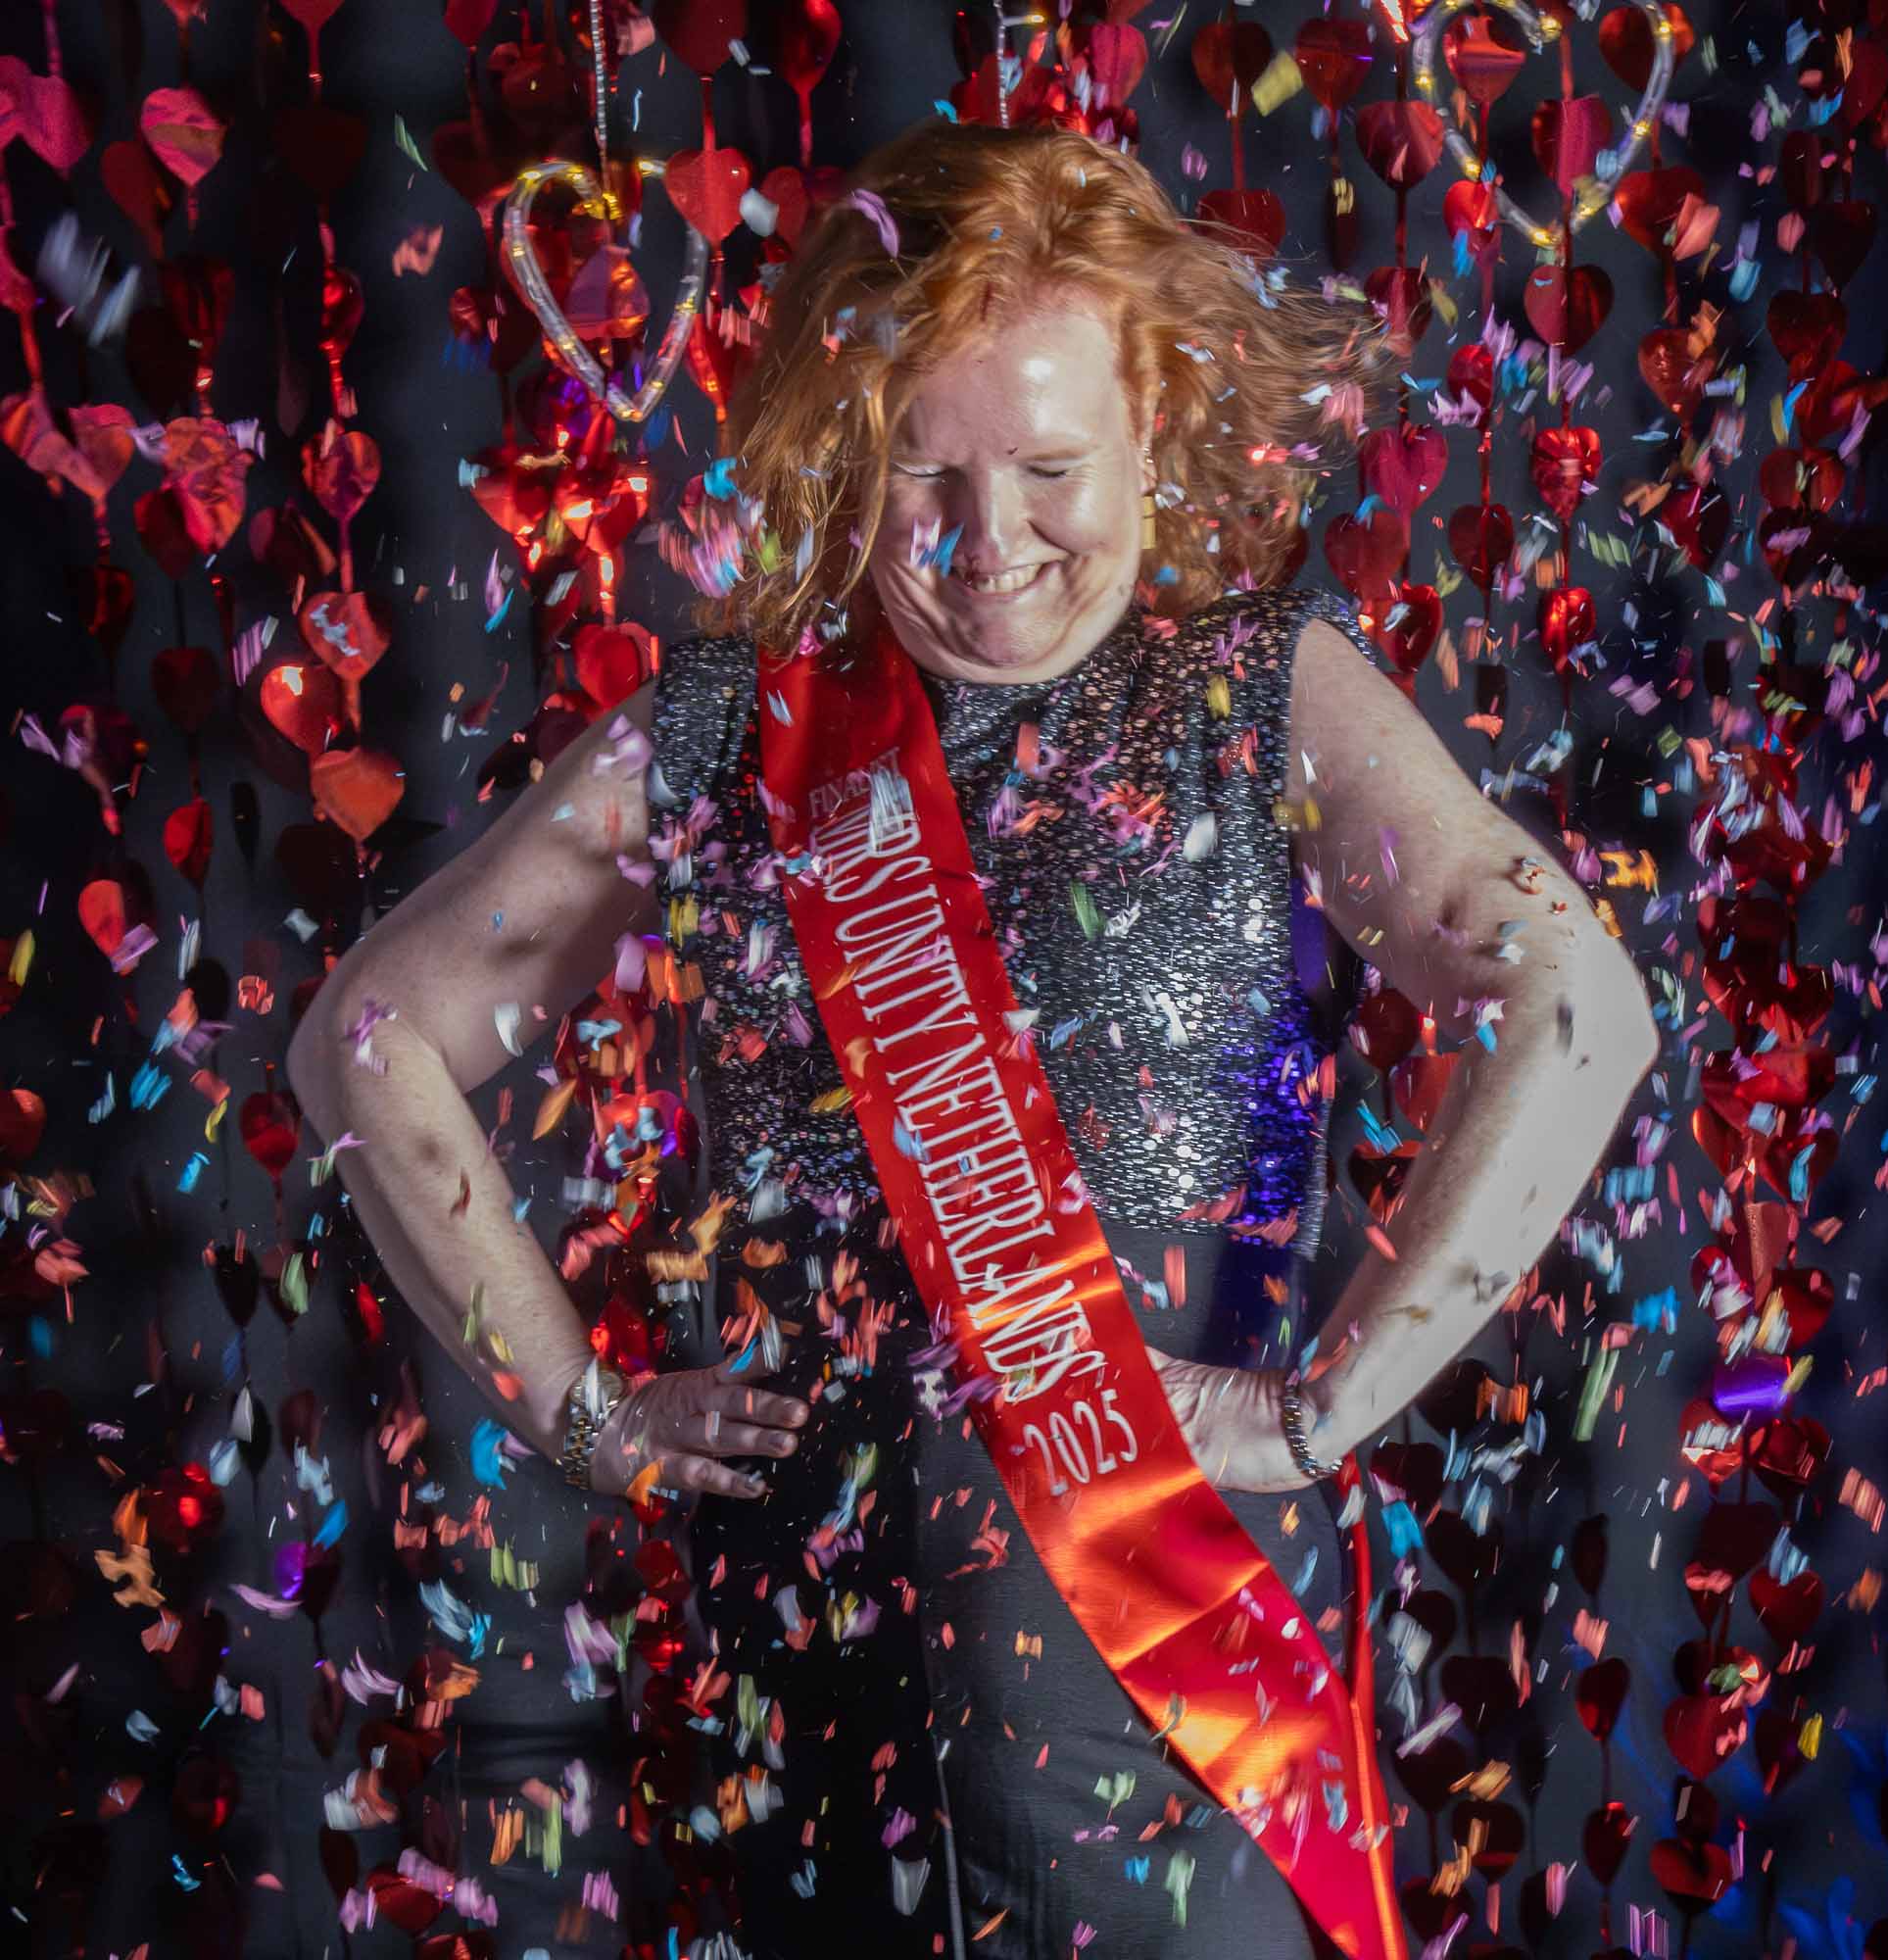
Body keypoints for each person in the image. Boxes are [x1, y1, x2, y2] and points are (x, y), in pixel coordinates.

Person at [288, 118, 1659, 1960]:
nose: (988, 540)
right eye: (920, 473)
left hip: (1178, 1733)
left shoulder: (1260, 689)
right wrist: (581, 1413)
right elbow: (365, 1041)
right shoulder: (728, 728)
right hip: (814, 1741)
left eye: (1050, 466)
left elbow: (1575, 1001)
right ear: (846, 455)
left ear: (1151, 423)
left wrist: (1325, 1406)